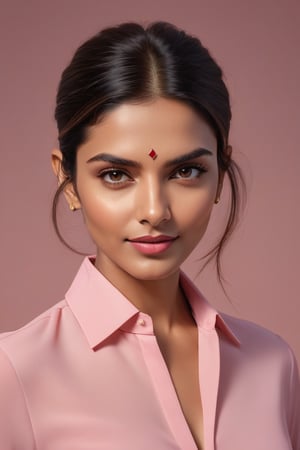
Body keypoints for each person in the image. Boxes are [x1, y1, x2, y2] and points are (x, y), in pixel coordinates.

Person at [0, 20, 299, 450]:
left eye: (186, 171)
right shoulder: (17, 374)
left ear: (220, 172)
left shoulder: (273, 365)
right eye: (117, 174)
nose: (155, 211)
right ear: (67, 180)